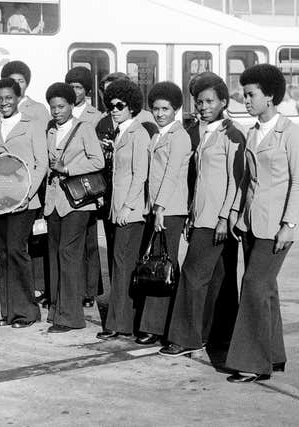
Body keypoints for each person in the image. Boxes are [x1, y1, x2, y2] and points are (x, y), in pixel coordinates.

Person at [225, 64, 299, 383]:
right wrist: (235, 213)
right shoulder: (252, 132)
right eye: (244, 94)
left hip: (277, 226)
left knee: (254, 285)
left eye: (251, 94)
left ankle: (251, 362)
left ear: (270, 96)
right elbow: (246, 179)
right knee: (266, 289)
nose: (245, 100)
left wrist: (289, 224)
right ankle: (274, 355)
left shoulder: (292, 134)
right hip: (250, 224)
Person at [159, 73, 244, 356]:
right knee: (219, 280)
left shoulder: (232, 133)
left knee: (193, 276)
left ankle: (185, 338)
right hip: (202, 217)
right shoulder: (204, 131)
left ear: (223, 101)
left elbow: (236, 180)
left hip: (216, 220)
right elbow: (200, 180)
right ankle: (219, 335)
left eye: (210, 101)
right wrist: (191, 218)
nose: (204, 106)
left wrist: (224, 217)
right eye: (199, 102)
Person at [43, 83, 104, 333]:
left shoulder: (84, 128)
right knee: (56, 254)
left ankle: (70, 317)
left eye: (61, 106)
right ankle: (57, 309)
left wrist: (68, 169)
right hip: (54, 202)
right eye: (53, 107)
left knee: (69, 255)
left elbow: (97, 161)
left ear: (71, 106)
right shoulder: (49, 130)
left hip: (78, 203)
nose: (56, 111)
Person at [0, 77, 47, 328]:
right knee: (2, 253)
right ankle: (8, 311)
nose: (4, 103)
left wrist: (28, 194)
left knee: (16, 251)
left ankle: (27, 312)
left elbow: (41, 163)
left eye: (8, 98)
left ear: (18, 98)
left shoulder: (31, 124)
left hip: (24, 202)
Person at [136, 81, 191, 346]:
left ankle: (163, 327)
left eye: (165, 109)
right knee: (158, 265)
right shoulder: (159, 135)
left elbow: (171, 175)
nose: (159, 114)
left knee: (165, 266)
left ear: (176, 110)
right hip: (157, 208)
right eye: (156, 109)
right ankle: (155, 325)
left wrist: (160, 209)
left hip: (170, 209)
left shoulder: (179, 137)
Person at [95, 79, 150, 340]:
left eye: (120, 105)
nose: (114, 109)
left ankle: (119, 324)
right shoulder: (121, 133)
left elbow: (140, 174)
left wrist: (127, 206)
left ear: (132, 107)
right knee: (120, 265)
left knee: (123, 265)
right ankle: (122, 322)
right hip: (117, 209)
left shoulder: (138, 133)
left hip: (131, 211)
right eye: (110, 105)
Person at [65, 66, 102, 309]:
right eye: (71, 86)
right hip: (66, 186)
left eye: (78, 87)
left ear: (86, 91)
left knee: (89, 239)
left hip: (86, 184)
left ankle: (90, 290)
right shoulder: (59, 112)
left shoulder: (95, 116)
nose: (74, 91)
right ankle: (74, 287)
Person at [0, 60, 50, 130]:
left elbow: (45, 137)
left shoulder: (39, 109)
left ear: (27, 84)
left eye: (21, 81)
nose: (17, 85)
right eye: (13, 81)